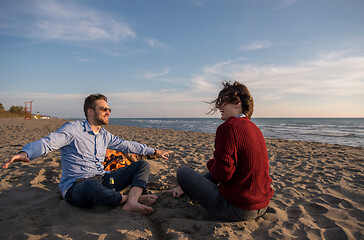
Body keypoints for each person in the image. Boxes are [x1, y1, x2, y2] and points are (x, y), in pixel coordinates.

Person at [3, 93, 173, 215]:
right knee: (91, 187)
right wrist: (26, 152)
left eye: (109, 109)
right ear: (90, 112)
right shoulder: (73, 129)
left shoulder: (105, 135)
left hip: (105, 180)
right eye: (104, 109)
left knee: (142, 165)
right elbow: (49, 142)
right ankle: (129, 199)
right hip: (77, 187)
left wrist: (156, 151)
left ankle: (132, 201)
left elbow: (128, 145)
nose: (108, 112)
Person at [168, 81, 273, 221]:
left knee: (183, 172)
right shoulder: (255, 128)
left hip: (237, 209)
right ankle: (183, 189)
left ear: (237, 103)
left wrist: (211, 163)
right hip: (261, 205)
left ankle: (185, 187)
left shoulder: (228, 127)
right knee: (214, 170)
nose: (218, 106)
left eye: (223, 101)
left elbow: (223, 175)